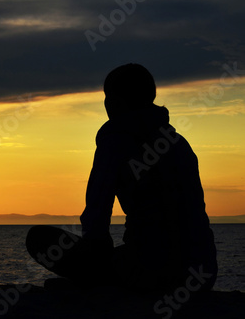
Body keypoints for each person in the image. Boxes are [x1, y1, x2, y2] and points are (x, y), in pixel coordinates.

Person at [26, 63, 217, 292]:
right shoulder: (179, 144)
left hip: (149, 272)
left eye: (108, 97)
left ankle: (100, 285)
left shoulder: (115, 142)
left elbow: (96, 216)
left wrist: (96, 255)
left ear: (115, 101)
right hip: (202, 273)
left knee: (39, 239)